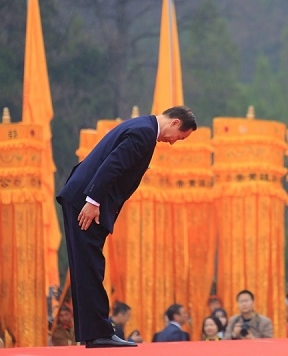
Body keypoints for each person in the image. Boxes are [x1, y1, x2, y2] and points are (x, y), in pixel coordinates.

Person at [56, 105, 197, 348]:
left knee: (85, 267)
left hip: (81, 197)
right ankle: (99, 333)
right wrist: (93, 201)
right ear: (174, 123)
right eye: (180, 137)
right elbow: (112, 165)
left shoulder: (141, 125)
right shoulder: (144, 133)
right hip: (86, 203)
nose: (174, 142)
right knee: (90, 267)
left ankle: (93, 333)